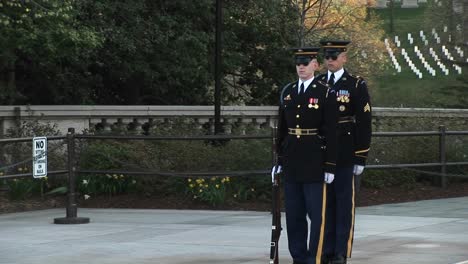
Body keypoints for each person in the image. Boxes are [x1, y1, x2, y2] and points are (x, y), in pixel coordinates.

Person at [271, 47, 337, 264]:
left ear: (315, 65)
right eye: (298, 62)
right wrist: (279, 160)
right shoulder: (288, 91)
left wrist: (330, 165)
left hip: (315, 160)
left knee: (316, 216)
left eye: (306, 62)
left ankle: (314, 258)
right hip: (292, 160)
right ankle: (298, 257)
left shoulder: (325, 92)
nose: (301, 66)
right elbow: (282, 129)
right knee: (294, 215)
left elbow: (331, 131)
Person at [318, 40, 372, 264]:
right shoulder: (318, 82)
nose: (329, 60)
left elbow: (364, 121)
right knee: (324, 205)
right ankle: (326, 249)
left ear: (344, 58)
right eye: (327, 56)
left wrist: (361, 155)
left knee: (343, 204)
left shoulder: (356, 85)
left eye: (334, 56)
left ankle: (340, 251)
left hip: (345, 151)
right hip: (322, 152)